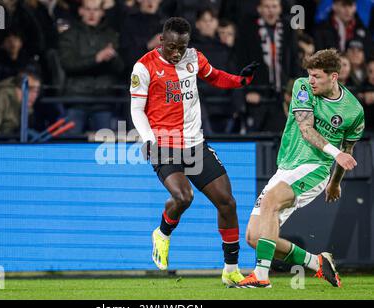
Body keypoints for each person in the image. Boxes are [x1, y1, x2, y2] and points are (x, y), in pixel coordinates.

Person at [129, 17, 259, 286]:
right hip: (163, 144)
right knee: (184, 197)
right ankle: (163, 234)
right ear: (161, 40)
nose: (177, 53)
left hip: (195, 143)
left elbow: (215, 77)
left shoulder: (194, 58)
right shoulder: (144, 67)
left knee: (227, 202)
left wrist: (241, 81)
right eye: (172, 47)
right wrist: (148, 139)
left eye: (182, 47)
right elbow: (136, 109)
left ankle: (231, 269)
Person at [234, 49, 364, 288]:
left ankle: (261, 277)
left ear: (334, 77)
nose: (311, 80)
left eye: (317, 76)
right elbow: (306, 129)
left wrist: (334, 182)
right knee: (255, 236)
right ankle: (316, 262)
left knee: (271, 201)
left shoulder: (354, 111)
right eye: (310, 75)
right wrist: (337, 154)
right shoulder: (302, 87)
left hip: (316, 168)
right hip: (287, 166)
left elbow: (349, 150)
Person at [58, 0, 125, 134]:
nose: (91, 14)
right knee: (70, 145)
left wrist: (113, 58)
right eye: (88, 9)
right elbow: (68, 64)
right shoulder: (69, 35)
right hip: (76, 98)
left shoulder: (111, 35)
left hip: (104, 98)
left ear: (102, 12)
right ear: (80, 11)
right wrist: (96, 58)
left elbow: (121, 68)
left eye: (95, 10)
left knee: (106, 149)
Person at [236, 0, 300, 133]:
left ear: (280, 9)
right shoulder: (247, 29)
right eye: (266, 7)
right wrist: (248, 91)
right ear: (259, 9)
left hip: (282, 97)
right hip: (257, 95)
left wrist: (292, 89)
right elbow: (241, 62)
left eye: (274, 7)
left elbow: (294, 61)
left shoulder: (288, 29)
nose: (271, 10)